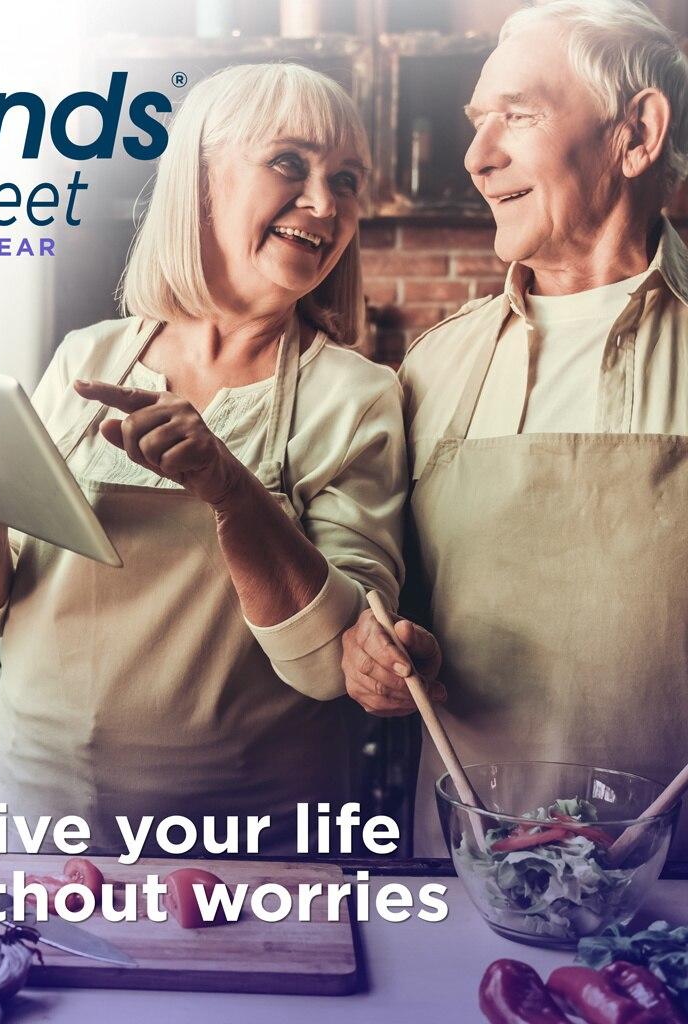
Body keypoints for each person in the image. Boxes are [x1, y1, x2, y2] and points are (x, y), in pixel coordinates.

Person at [0, 63, 409, 854]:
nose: (326, 202)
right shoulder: (86, 355)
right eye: (289, 164)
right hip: (39, 810)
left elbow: (336, 663)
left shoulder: (356, 396)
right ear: (199, 180)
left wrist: (231, 490)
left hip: (251, 834)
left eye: (345, 179)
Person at [342, 0, 688, 858]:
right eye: (476, 121)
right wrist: (375, 655)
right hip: (470, 881)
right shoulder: (433, 369)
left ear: (636, 133)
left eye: (517, 115)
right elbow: (388, 604)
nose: (477, 154)